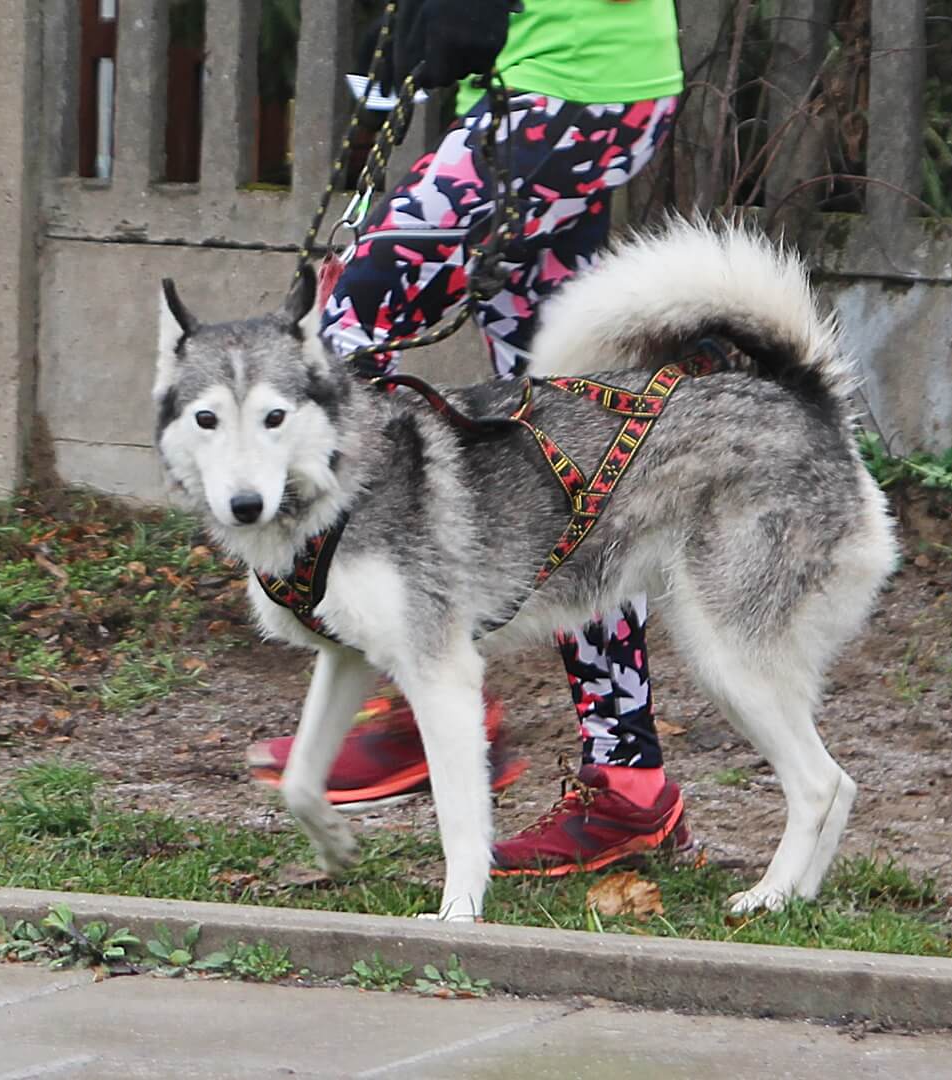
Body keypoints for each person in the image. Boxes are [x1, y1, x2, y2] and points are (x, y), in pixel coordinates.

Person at [247, 0, 690, 876]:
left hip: (570, 88)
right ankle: (628, 784)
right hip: (556, 84)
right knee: (567, 447)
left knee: (335, 342)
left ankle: (421, 693)